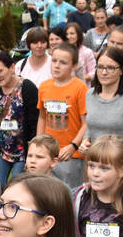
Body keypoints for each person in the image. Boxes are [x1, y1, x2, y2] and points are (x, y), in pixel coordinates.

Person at [0, 51, 40, 187]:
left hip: (23, 151)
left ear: (12, 68)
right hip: (1, 150)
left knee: (17, 187)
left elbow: (35, 124)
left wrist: (33, 153)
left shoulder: (27, 88)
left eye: (0, 71)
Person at [36, 43, 88, 189]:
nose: (57, 66)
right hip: (48, 151)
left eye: (63, 62)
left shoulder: (80, 87)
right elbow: (42, 117)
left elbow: (86, 123)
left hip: (71, 155)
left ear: (74, 65)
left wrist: (73, 146)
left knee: (69, 193)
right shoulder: (44, 86)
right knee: (47, 191)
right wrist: (38, 143)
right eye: (54, 61)